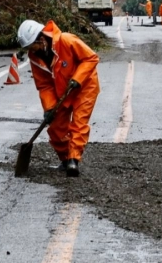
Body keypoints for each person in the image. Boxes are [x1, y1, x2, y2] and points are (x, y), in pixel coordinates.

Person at [17, 19, 100, 177]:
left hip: (84, 86)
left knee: (79, 123)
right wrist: (49, 108)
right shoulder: (35, 58)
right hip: (62, 90)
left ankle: (73, 161)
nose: (30, 51)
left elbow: (91, 58)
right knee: (55, 128)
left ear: (41, 39)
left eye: (31, 46)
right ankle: (65, 159)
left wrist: (78, 78)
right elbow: (44, 85)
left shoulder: (66, 40)